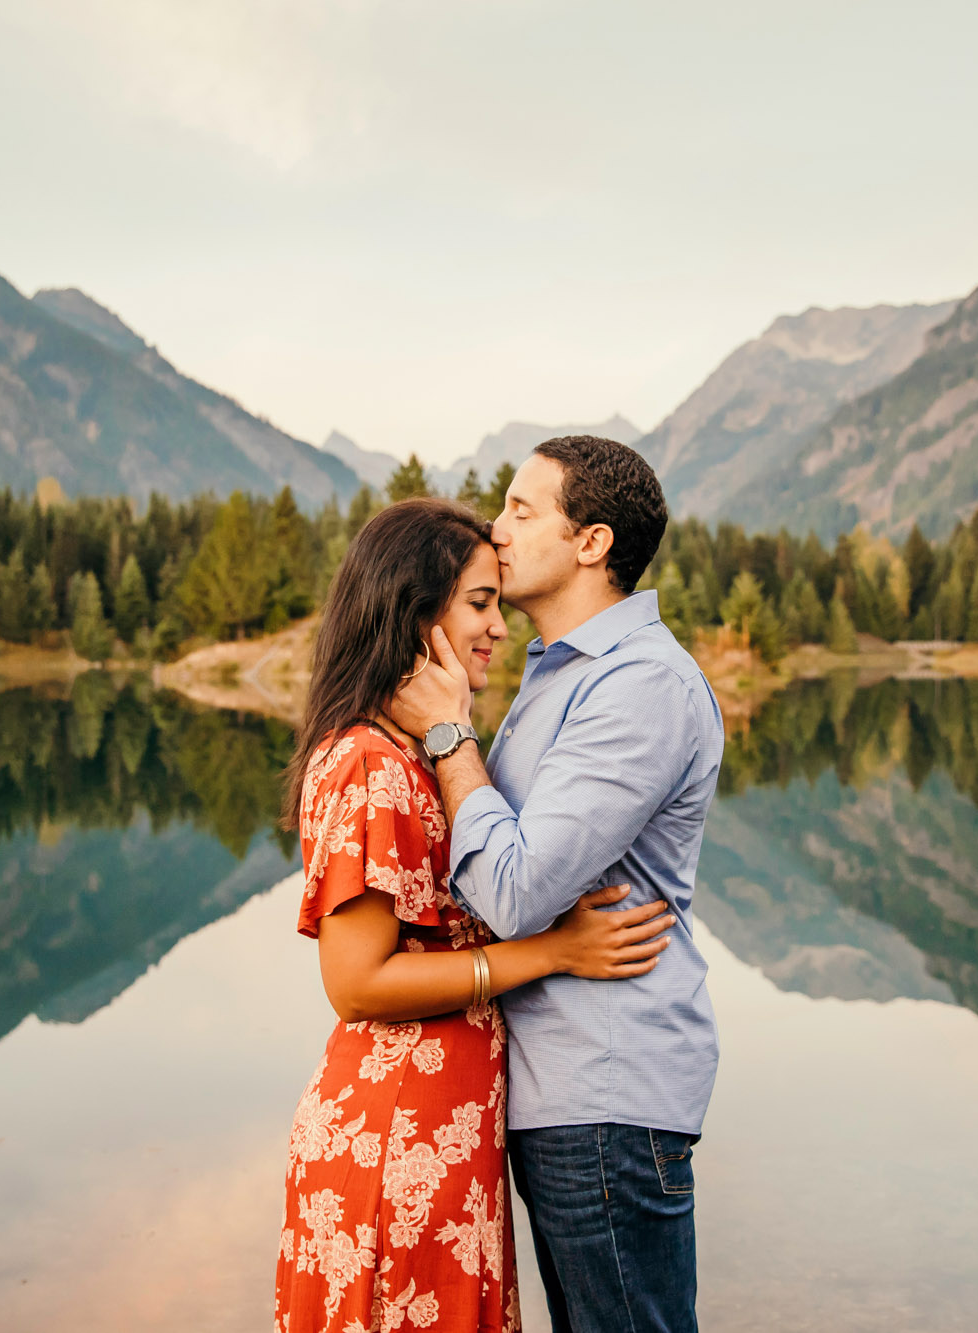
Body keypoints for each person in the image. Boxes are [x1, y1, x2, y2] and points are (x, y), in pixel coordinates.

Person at [275, 496, 677, 1333]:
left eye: (499, 600)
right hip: (395, 1140)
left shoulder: (417, 757)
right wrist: (555, 951)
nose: (498, 627)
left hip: (443, 1136)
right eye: (479, 603)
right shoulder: (368, 764)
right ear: (414, 616)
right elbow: (354, 983)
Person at [390, 437, 724, 1333]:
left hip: (607, 1091)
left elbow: (513, 888)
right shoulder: (562, 674)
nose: (496, 531)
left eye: (521, 510)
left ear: (592, 542)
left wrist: (449, 738)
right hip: (565, 1093)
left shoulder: (640, 685)